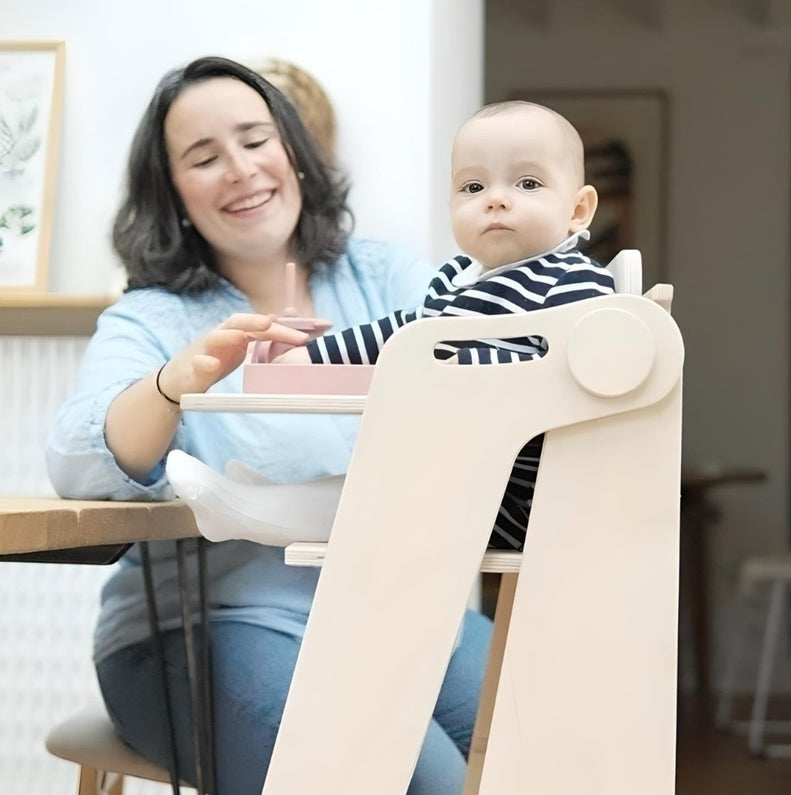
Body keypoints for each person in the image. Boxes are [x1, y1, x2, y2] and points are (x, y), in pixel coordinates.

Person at [45, 56, 492, 795]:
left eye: (255, 140)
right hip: (203, 629)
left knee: (545, 738)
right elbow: (75, 459)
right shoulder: (150, 319)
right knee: (417, 778)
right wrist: (176, 379)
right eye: (202, 157)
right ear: (175, 196)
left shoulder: (385, 275)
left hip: (390, 610)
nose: (240, 170)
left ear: (295, 152)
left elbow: (485, 370)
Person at [170, 100, 616, 553]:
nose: (496, 199)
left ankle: (253, 510)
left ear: (578, 210)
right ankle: (262, 501)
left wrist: (462, 360)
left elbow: (579, 368)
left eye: (528, 183)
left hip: (528, 499)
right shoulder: (456, 278)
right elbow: (406, 331)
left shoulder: (573, 278)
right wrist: (316, 354)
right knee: (375, 478)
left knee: (385, 492)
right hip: (466, 474)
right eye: (474, 186)